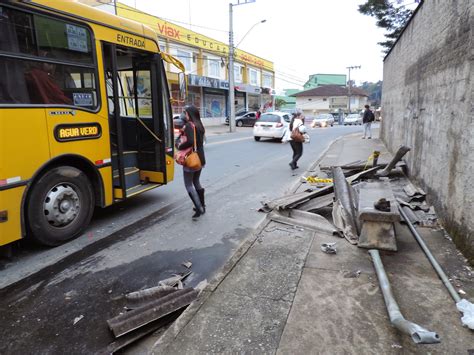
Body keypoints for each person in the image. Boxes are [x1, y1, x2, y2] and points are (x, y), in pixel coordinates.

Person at [176, 105, 206, 220]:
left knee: (188, 184)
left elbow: (189, 142)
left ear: (190, 114)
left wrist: (179, 145)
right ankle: (202, 205)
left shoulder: (189, 125)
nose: (185, 115)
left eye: (186, 113)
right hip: (200, 158)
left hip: (191, 158)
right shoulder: (199, 125)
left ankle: (198, 208)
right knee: (196, 181)